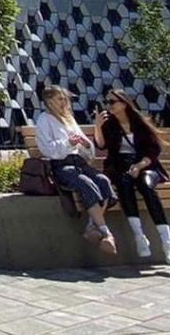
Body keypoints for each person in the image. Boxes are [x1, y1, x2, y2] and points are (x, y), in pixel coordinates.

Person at [94, 89, 170, 265]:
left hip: (146, 165)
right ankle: (139, 236)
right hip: (119, 165)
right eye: (107, 102)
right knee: (124, 183)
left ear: (124, 104)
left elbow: (153, 150)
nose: (109, 105)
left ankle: (167, 242)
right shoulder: (109, 124)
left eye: (112, 102)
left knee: (146, 186)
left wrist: (139, 166)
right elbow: (101, 146)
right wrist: (97, 126)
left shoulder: (140, 123)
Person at [35, 85, 117, 254]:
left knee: (103, 181)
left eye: (66, 99)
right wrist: (68, 143)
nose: (64, 102)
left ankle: (91, 227)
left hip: (79, 163)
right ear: (49, 101)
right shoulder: (44, 119)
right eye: (60, 99)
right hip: (62, 165)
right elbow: (46, 148)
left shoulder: (69, 119)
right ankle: (106, 233)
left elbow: (86, 148)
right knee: (85, 183)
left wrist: (86, 145)